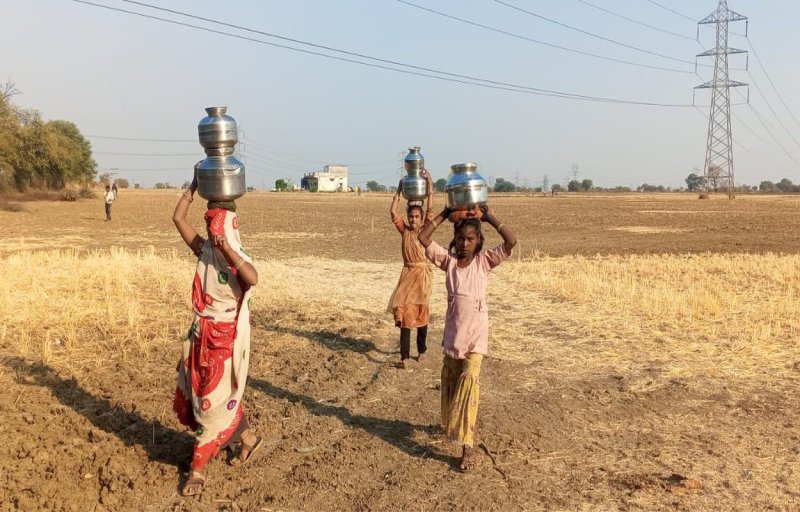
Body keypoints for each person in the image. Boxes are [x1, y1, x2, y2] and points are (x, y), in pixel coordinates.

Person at [171, 173, 261, 496]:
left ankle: (197, 469)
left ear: (226, 225)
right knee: (212, 397)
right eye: (207, 221)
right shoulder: (205, 250)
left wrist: (228, 250)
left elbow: (253, 278)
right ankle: (248, 438)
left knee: (210, 403)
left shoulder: (235, 256)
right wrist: (194, 186)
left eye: (215, 222)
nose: (210, 227)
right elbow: (178, 219)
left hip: (223, 341)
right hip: (201, 336)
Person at [417, 204, 517, 471]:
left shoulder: (484, 263)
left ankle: (467, 447)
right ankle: (454, 427)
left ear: (478, 241)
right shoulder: (449, 263)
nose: (464, 244)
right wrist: (445, 212)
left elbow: (511, 241)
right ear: (455, 239)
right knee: (452, 387)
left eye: (470, 239)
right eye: (460, 238)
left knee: (468, 387)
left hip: (476, 339)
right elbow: (423, 238)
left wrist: (489, 216)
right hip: (454, 336)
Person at [388, 170, 434, 369]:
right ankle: (405, 357)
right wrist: (399, 191)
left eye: (416, 217)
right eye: (411, 216)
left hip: (422, 275)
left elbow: (431, 207)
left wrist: (429, 183)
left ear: (421, 218)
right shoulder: (404, 231)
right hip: (407, 275)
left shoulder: (425, 231)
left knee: (421, 312)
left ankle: (421, 351)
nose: (414, 220)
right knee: (404, 312)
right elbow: (393, 213)